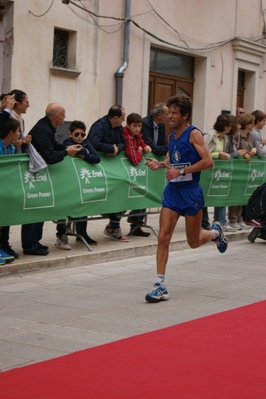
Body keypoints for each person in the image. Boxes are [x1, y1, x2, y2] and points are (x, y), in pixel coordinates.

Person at [145, 94, 228, 302]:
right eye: (169, 113)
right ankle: (160, 285)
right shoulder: (172, 136)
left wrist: (180, 173)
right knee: (163, 236)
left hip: (191, 192)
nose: (169, 116)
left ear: (185, 115)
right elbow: (173, 159)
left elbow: (208, 162)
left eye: (174, 113)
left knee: (193, 242)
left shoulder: (194, 134)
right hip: (173, 192)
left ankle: (215, 233)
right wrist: (161, 164)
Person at [21, 103, 81, 255]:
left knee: (41, 209)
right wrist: (66, 153)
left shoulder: (47, 127)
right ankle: (30, 245)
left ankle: (35, 241)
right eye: (63, 114)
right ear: (56, 117)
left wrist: (67, 149)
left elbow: (53, 145)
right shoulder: (43, 130)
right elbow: (49, 157)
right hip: (34, 174)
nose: (65, 117)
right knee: (34, 209)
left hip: (40, 173)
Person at [87, 104, 129, 242]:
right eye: (122, 118)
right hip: (97, 167)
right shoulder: (99, 126)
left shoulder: (119, 128)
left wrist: (117, 149)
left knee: (123, 193)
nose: (123, 121)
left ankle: (113, 225)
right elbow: (93, 143)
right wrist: (111, 148)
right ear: (115, 118)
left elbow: (124, 142)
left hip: (114, 168)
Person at [127, 102, 169, 228]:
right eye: (167, 113)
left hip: (151, 162)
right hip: (141, 162)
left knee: (146, 191)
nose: (169, 116)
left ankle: (137, 223)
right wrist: (161, 150)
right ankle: (115, 223)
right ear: (160, 115)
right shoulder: (145, 123)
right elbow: (149, 143)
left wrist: (164, 149)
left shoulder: (161, 126)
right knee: (134, 191)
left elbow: (164, 143)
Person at [63, 120, 100, 246]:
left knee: (84, 206)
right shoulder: (67, 143)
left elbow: (96, 158)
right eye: (77, 134)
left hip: (83, 181)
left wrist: (84, 154)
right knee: (66, 207)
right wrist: (85, 151)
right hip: (69, 181)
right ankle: (62, 234)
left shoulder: (86, 143)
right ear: (70, 134)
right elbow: (74, 150)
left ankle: (82, 233)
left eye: (82, 135)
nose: (80, 137)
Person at [204, 114, 237, 232]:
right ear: (224, 126)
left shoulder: (225, 138)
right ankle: (204, 222)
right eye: (228, 126)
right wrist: (218, 155)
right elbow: (204, 152)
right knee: (206, 196)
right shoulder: (210, 135)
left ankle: (220, 221)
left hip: (219, 170)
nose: (230, 128)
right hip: (207, 170)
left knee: (220, 193)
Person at [123, 112, 152, 237]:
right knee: (123, 200)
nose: (137, 128)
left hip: (136, 174)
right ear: (128, 125)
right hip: (125, 173)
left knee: (142, 194)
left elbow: (141, 141)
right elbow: (135, 160)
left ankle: (136, 225)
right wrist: (140, 150)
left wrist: (144, 146)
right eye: (135, 126)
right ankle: (113, 226)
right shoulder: (127, 136)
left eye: (139, 126)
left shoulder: (136, 135)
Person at [0, 119, 21, 264]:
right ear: (11, 132)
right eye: (17, 131)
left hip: (5, 189)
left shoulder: (11, 148)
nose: (19, 133)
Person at [226, 117, 250, 230]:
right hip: (230, 167)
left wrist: (243, 153)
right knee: (233, 193)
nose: (240, 127)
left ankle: (239, 218)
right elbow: (229, 153)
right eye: (238, 125)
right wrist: (238, 153)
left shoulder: (233, 137)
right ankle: (231, 219)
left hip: (239, 166)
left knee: (241, 192)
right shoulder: (230, 137)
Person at [9, 89, 32, 153]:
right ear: (18, 104)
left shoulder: (21, 120)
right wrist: (13, 143)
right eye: (26, 102)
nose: (28, 106)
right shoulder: (8, 118)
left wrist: (24, 140)